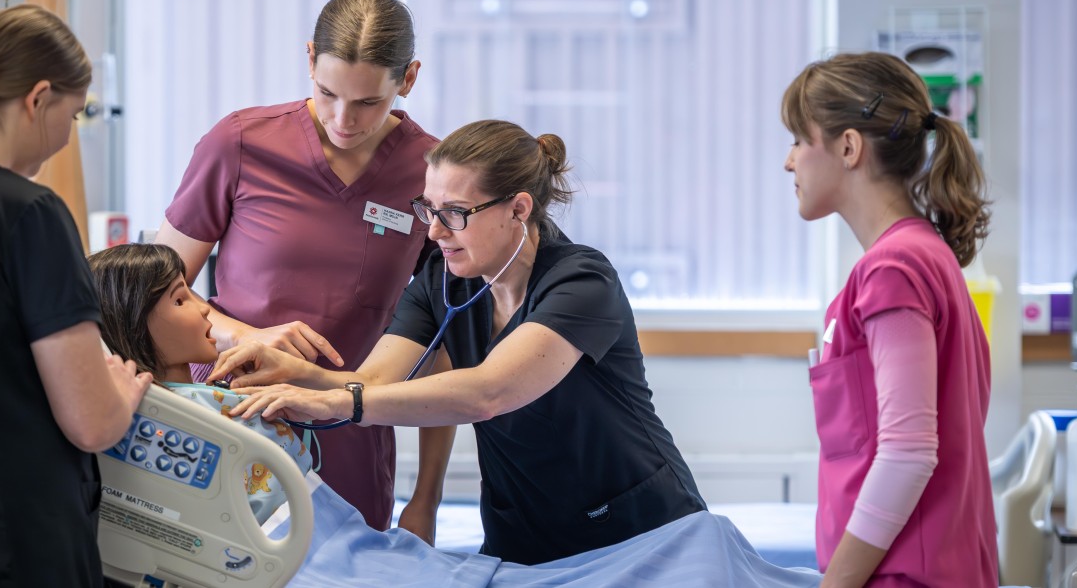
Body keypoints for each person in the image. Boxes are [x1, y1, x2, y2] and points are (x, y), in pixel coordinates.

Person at [209, 119, 707, 565]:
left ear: (518, 209)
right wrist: (294, 375)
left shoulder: (581, 282)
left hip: (641, 535)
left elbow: (487, 392)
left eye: (455, 213)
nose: (433, 231)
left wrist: (326, 400)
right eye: (428, 208)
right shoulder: (442, 281)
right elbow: (373, 382)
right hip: (522, 540)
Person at [154, 0, 442, 533]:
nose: (343, 119)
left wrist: (426, 499)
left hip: (351, 435)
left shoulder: (428, 171)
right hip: (227, 417)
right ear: (310, 58)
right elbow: (152, 290)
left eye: (368, 102)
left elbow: (439, 342)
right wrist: (244, 335)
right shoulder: (239, 143)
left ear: (408, 79)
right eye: (327, 91)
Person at [0, 4, 153, 587]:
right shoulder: (28, 211)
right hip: (20, 533)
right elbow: (92, 422)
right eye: (73, 114)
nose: (67, 136)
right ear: (39, 98)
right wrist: (122, 390)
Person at [781, 52, 995, 587]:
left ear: (848, 147)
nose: (789, 161)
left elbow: (907, 455)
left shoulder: (893, 269)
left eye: (799, 140)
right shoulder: (924, 255)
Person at [86, 243, 313, 523]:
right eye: (180, 300)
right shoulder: (164, 424)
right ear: (132, 326)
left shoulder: (212, 399)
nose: (205, 309)